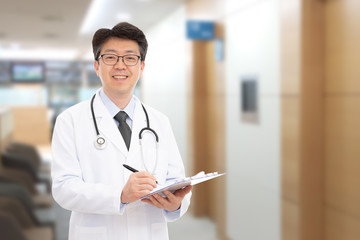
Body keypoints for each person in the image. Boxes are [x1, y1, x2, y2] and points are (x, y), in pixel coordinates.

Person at [51, 22, 192, 240]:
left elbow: (176, 179)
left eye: (129, 57)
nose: (120, 65)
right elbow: (64, 188)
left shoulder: (159, 121)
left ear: (141, 67)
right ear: (97, 66)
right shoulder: (70, 120)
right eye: (110, 57)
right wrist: (120, 195)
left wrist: (176, 204)